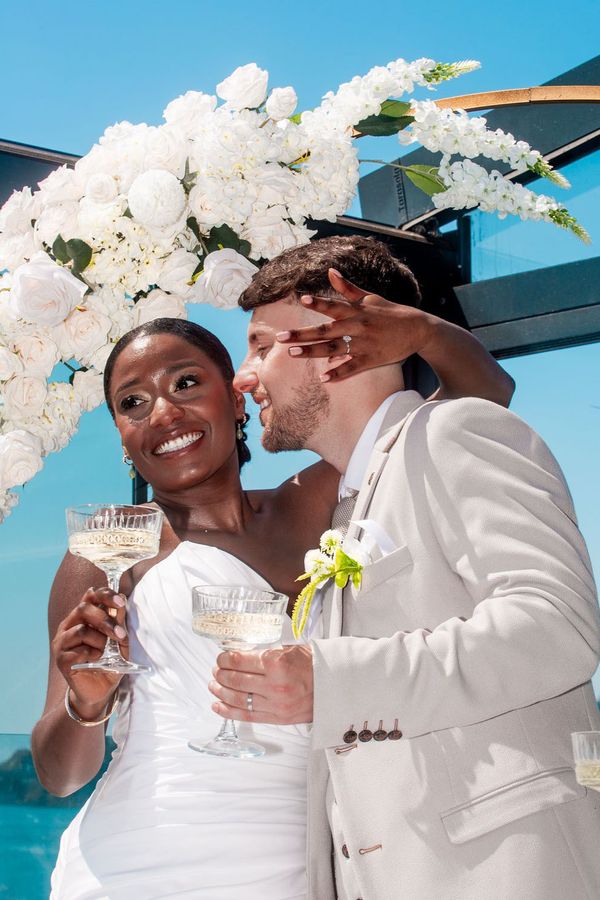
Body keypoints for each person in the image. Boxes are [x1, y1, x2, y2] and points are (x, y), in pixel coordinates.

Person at [32, 281, 511, 898]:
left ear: (237, 400)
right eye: (133, 403)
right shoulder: (107, 548)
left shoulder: (312, 502)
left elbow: (482, 399)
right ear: (124, 437)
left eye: (185, 384)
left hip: (301, 863)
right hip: (136, 865)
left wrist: (422, 332)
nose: (163, 413)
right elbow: (60, 776)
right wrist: (86, 702)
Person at [213, 234, 600, 900]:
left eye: (261, 346)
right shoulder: (342, 507)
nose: (244, 378)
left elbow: (555, 627)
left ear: (337, 344)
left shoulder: (455, 433)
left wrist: (332, 680)